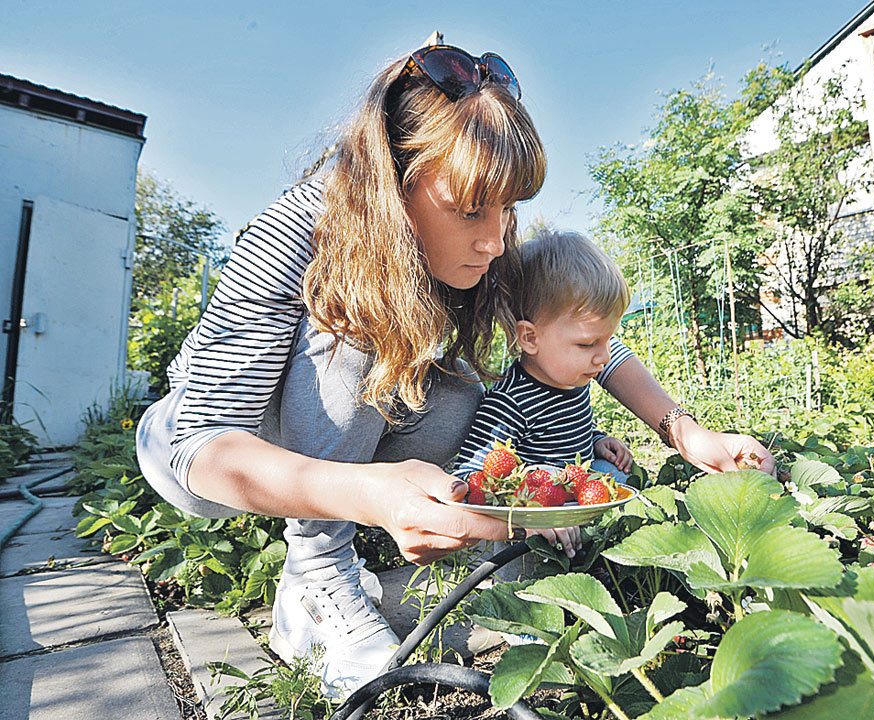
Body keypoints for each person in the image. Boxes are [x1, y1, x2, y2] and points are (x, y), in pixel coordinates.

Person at [136, 43, 776, 698]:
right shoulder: (298, 228)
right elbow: (197, 447)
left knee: (466, 398)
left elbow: (578, 334)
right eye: (472, 211)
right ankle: (316, 576)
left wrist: (684, 432)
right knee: (362, 319)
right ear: (395, 181)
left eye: (507, 209)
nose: (496, 241)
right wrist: (371, 495)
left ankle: (367, 554)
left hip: (314, 436)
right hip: (206, 446)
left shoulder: (486, 244)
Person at [452, 229, 634, 492]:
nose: (605, 356)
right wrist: (529, 500)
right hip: (535, 511)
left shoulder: (572, 380)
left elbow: (569, 437)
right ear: (530, 338)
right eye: (587, 344)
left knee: (620, 477)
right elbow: (470, 472)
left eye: (607, 340)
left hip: (572, 491)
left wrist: (596, 440)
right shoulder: (510, 403)